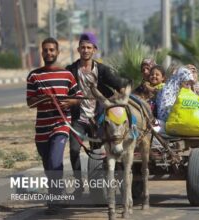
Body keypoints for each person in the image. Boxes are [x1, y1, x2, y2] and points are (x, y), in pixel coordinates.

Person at [66, 32, 130, 197]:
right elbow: (62, 88)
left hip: (100, 119)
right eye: (83, 47)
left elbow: (121, 86)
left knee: (101, 152)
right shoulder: (70, 70)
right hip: (78, 118)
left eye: (89, 47)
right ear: (78, 49)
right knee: (74, 150)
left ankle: (113, 182)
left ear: (94, 50)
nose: (85, 50)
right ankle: (79, 185)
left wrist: (117, 96)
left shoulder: (102, 70)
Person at [26, 37, 82, 214]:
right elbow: (30, 102)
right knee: (48, 163)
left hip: (60, 124)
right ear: (42, 52)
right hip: (42, 127)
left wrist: (69, 103)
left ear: (57, 52)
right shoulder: (34, 76)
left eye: (52, 50)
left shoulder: (67, 75)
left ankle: (54, 201)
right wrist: (43, 98)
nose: (49, 53)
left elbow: (78, 96)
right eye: (46, 50)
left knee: (55, 160)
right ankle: (61, 193)